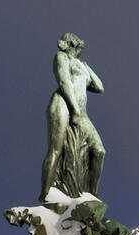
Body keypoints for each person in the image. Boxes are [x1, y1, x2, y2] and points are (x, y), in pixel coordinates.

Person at [39, 33, 106, 202]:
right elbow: (64, 82)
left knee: (99, 151)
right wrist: (74, 109)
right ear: (71, 45)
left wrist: (87, 67)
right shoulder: (61, 57)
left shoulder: (81, 65)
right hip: (63, 105)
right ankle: (45, 194)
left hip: (81, 112)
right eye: (77, 45)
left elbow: (99, 87)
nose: (80, 48)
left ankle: (91, 194)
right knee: (56, 150)